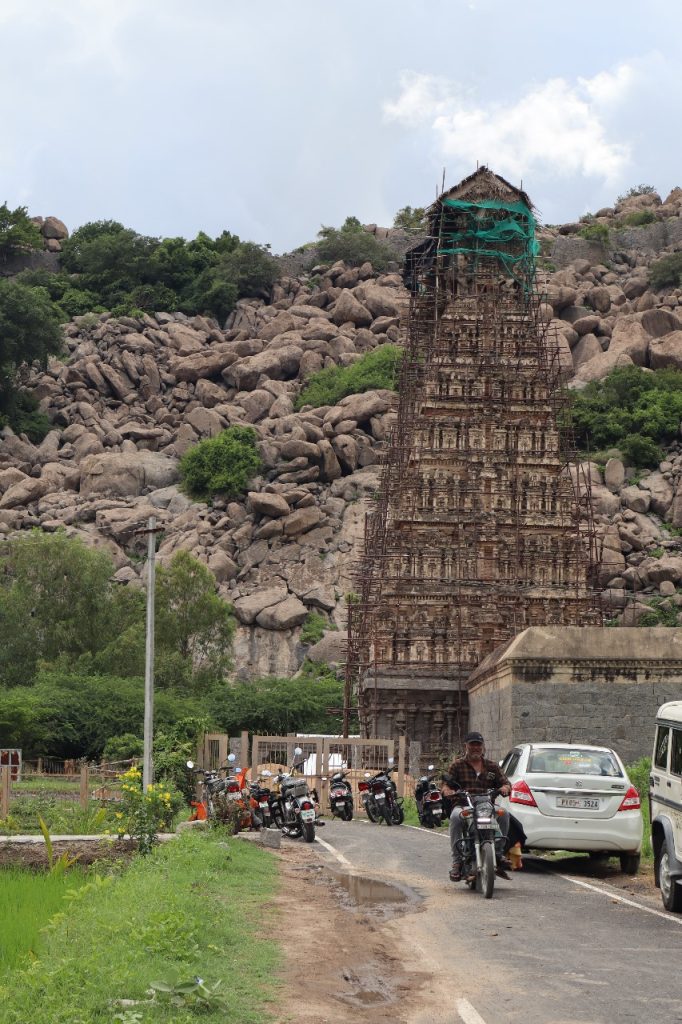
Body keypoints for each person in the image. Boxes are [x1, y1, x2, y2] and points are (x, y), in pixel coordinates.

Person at [441, 731, 512, 882]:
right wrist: (448, 791)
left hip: (486, 806)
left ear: (482, 747)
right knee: (455, 817)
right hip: (464, 805)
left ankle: (498, 852)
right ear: (466, 746)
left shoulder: (492, 766)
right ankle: (457, 861)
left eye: (478, 744)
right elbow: (446, 785)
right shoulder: (457, 765)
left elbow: (505, 782)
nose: (475, 748)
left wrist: (505, 788)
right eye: (472, 744)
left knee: (504, 813)